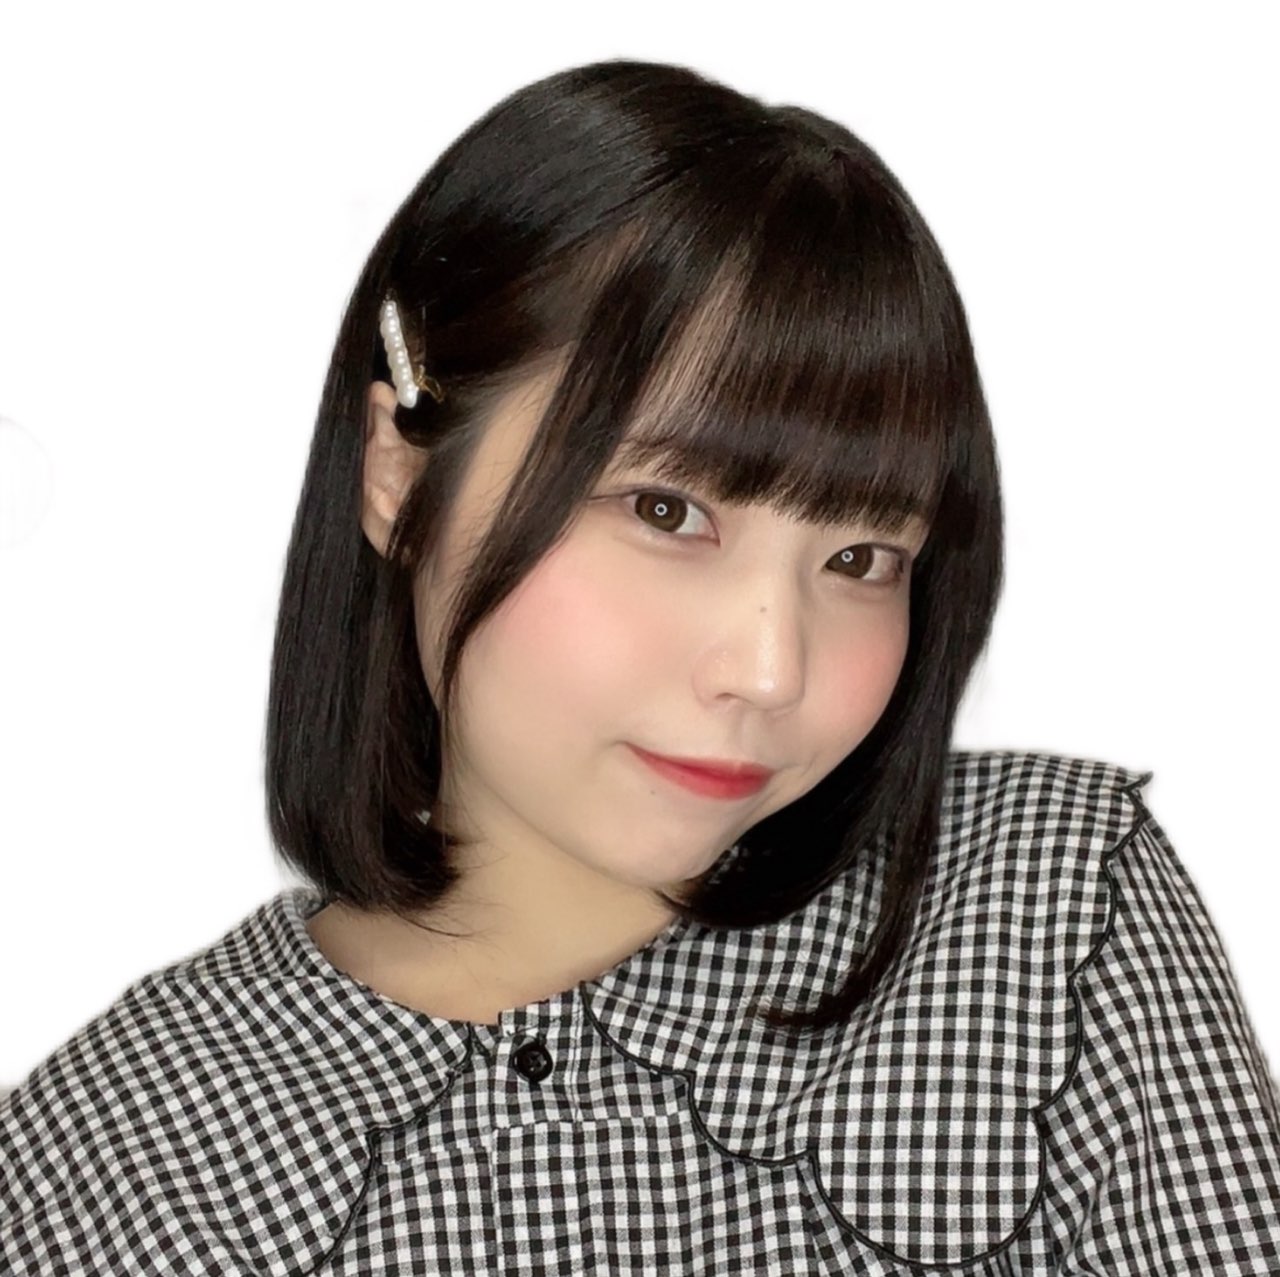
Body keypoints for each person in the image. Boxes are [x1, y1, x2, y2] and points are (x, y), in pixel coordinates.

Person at [2, 57, 1276, 1275]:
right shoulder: (106, 1167)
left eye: (860, 557)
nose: (768, 669)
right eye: (666, 511)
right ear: (398, 473)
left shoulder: (1047, 909)